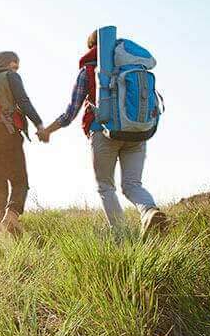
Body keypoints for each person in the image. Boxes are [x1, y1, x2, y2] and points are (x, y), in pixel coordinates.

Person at [38, 31, 169, 238]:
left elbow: (71, 112)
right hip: (137, 133)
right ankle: (149, 212)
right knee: (132, 184)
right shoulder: (135, 67)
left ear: (91, 47)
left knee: (106, 186)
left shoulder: (90, 70)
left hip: (103, 134)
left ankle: (122, 235)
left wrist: (47, 131)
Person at [0, 51, 45, 235]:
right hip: (8, 133)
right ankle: (12, 216)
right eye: (16, 64)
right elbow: (23, 101)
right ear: (11, 63)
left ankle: (0, 231)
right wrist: (38, 123)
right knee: (20, 181)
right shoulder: (10, 76)